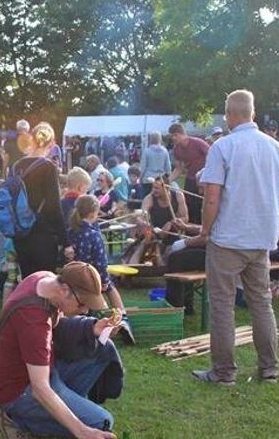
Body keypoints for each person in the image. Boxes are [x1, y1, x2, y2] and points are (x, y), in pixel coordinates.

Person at [192, 89, 279, 385]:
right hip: (262, 236)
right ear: (252, 112)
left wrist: (204, 230)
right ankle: (269, 368)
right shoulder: (277, 148)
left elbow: (212, 197)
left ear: (230, 114)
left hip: (229, 237)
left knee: (223, 305)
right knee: (261, 302)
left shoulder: (223, 146)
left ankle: (223, 372)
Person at [0, 262, 120, 439]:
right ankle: (16, 420)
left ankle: (59, 409)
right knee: (102, 423)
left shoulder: (44, 279)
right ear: (65, 290)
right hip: (19, 391)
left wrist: (91, 328)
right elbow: (40, 388)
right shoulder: (33, 321)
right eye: (82, 303)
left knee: (102, 348)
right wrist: (82, 431)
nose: (85, 310)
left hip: (45, 372)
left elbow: (56, 326)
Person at [66, 195, 134, 342]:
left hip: (73, 277)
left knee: (83, 305)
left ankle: (78, 326)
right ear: (93, 214)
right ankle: (123, 319)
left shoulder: (70, 232)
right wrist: (104, 280)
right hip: (92, 277)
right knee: (110, 288)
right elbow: (101, 261)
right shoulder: (93, 235)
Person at [10, 123, 67, 276]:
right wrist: (65, 240)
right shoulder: (48, 167)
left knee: (27, 278)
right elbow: (54, 206)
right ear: (51, 143)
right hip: (42, 231)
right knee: (44, 279)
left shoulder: (16, 166)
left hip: (20, 230)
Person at [168, 123, 210, 224]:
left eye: (174, 135)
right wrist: (167, 181)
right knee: (189, 205)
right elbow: (179, 168)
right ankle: (190, 228)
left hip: (204, 179)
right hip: (190, 179)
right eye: (172, 136)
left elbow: (213, 156)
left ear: (180, 134)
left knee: (204, 205)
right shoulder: (176, 150)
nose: (173, 138)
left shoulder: (198, 143)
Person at [141, 176, 189, 244]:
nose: (153, 190)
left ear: (166, 188)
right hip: (155, 235)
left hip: (175, 234)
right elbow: (142, 216)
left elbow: (185, 218)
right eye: (153, 187)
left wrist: (170, 223)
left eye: (156, 188)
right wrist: (146, 224)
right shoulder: (149, 198)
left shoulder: (178, 196)